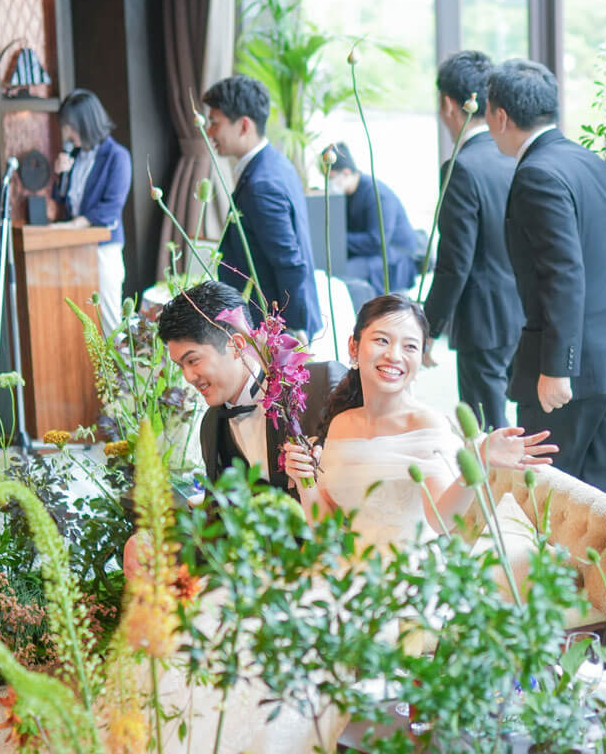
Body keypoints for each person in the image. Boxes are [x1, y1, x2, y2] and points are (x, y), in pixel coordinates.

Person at [484, 59, 606, 503]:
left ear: (500, 116)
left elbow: (565, 272)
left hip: (575, 372)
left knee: (547, 500)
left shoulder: (537, 173)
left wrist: (557, 366)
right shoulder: (589, 161)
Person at [282, 293, 556, 552]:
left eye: (410, 346)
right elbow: (325, 530)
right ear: (354, 347)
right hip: (349, 569)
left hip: (410, 576)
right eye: (382, 340)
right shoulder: (341, 422)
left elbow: (441, 521)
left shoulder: (427, 424)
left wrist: (479, 462)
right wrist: (305, 481)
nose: (395, 355)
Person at [156, 280, 345, 501]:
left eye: (193, 360)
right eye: (180, 366)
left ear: (236, 345)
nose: (188, 377)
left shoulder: (323, 385)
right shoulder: (211, 425)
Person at [422, 51, 523, 431]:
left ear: (448, 104)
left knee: (489, 434)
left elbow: (454, 262)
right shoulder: (516, 157)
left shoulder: (460, 168)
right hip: (526, 313)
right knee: (526, 430)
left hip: (483, 322)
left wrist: (429, 327)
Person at [202, 75, 322, 340]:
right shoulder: (274, 163)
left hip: (276, 326)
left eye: (215, 123)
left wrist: (293, 330)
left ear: (244, 125)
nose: (209, 132)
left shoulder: (261, 184)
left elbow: (289, 262)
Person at [51, 88, 131, 331]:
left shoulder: (117, 156)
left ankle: (118, 370)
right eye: (65, 126)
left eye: (71, 126)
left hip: (103, 248)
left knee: (108, 321)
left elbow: (111, 207)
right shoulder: (74, 155)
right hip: (75, 248)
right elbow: (62, 199)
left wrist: (76, 224)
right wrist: (60, 175)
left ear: (87, 124)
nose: (67, 133)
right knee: (80, 321)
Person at [324, 141, 420, 295]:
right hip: (369, 252)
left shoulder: (376, 194)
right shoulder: (347, 194)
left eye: (332, 177)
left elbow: (377, 241)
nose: (329, 183)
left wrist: (338, 241)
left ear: (347, 173)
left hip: (393, 256)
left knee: (342, 274)